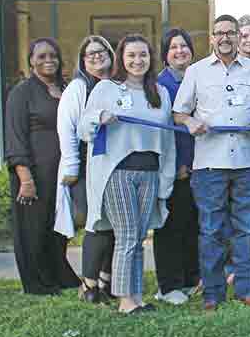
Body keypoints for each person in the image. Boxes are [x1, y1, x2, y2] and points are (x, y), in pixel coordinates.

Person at [173, 14, 250, 311]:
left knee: (246, 229)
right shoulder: (196, 72)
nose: (226, 38)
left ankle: (245, 289)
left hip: (247, 162)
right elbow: (179, 112)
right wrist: (190, 121)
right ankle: (213, 294)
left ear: (239, 37)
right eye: (220, 33)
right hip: (209, 164)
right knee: (211, 230)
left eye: (231, 33)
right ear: (212, 37)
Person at [79, 34, 177, 313]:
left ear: (150, 58)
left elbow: (167, 140)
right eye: (131, 55)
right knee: (127, 236)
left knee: (139, 237)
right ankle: (124, 300)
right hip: (117, 172)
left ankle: (136, 296)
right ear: (121, 58)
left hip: (150, 172)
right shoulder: (106, 89)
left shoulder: (160, 92)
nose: (137, 60)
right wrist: (99, 118)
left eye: (143, 55)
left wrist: (166, 180)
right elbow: (83, 128)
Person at [5, 38, 81, 295]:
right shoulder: (22, 92)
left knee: (58, 227)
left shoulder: (68, 88)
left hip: (62, 174)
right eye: (42, 56)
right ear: (31, 61)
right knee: (34, 229)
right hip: (33, 174)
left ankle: (58, 273)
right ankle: (38, 282)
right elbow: (15, 137)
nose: (49, 60)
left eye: (53, 55)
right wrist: (25, 179)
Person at [57, 35, 116, 303]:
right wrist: (71, 165)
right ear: (82, 60)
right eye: (90, 53)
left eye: (101, 51)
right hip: (86, 166)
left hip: (113, 164)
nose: (96, 56)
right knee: (96, 224)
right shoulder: (78, 88)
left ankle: (106, 281)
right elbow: (67, 129)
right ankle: (88, 286)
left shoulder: (116, 85)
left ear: (111, 54)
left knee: (114, 223)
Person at [152, 29, 201, 305]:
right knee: (170, 226)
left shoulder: (197, 78)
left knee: (191, 225)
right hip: (176, 167)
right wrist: (180, 164)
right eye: (173, 47)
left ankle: (189, 280)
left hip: (199, 166)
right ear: (165, 54)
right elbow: (166, 129)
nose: (180, 51)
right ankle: (168, 285)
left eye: (184, 45)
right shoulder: (161, 85)